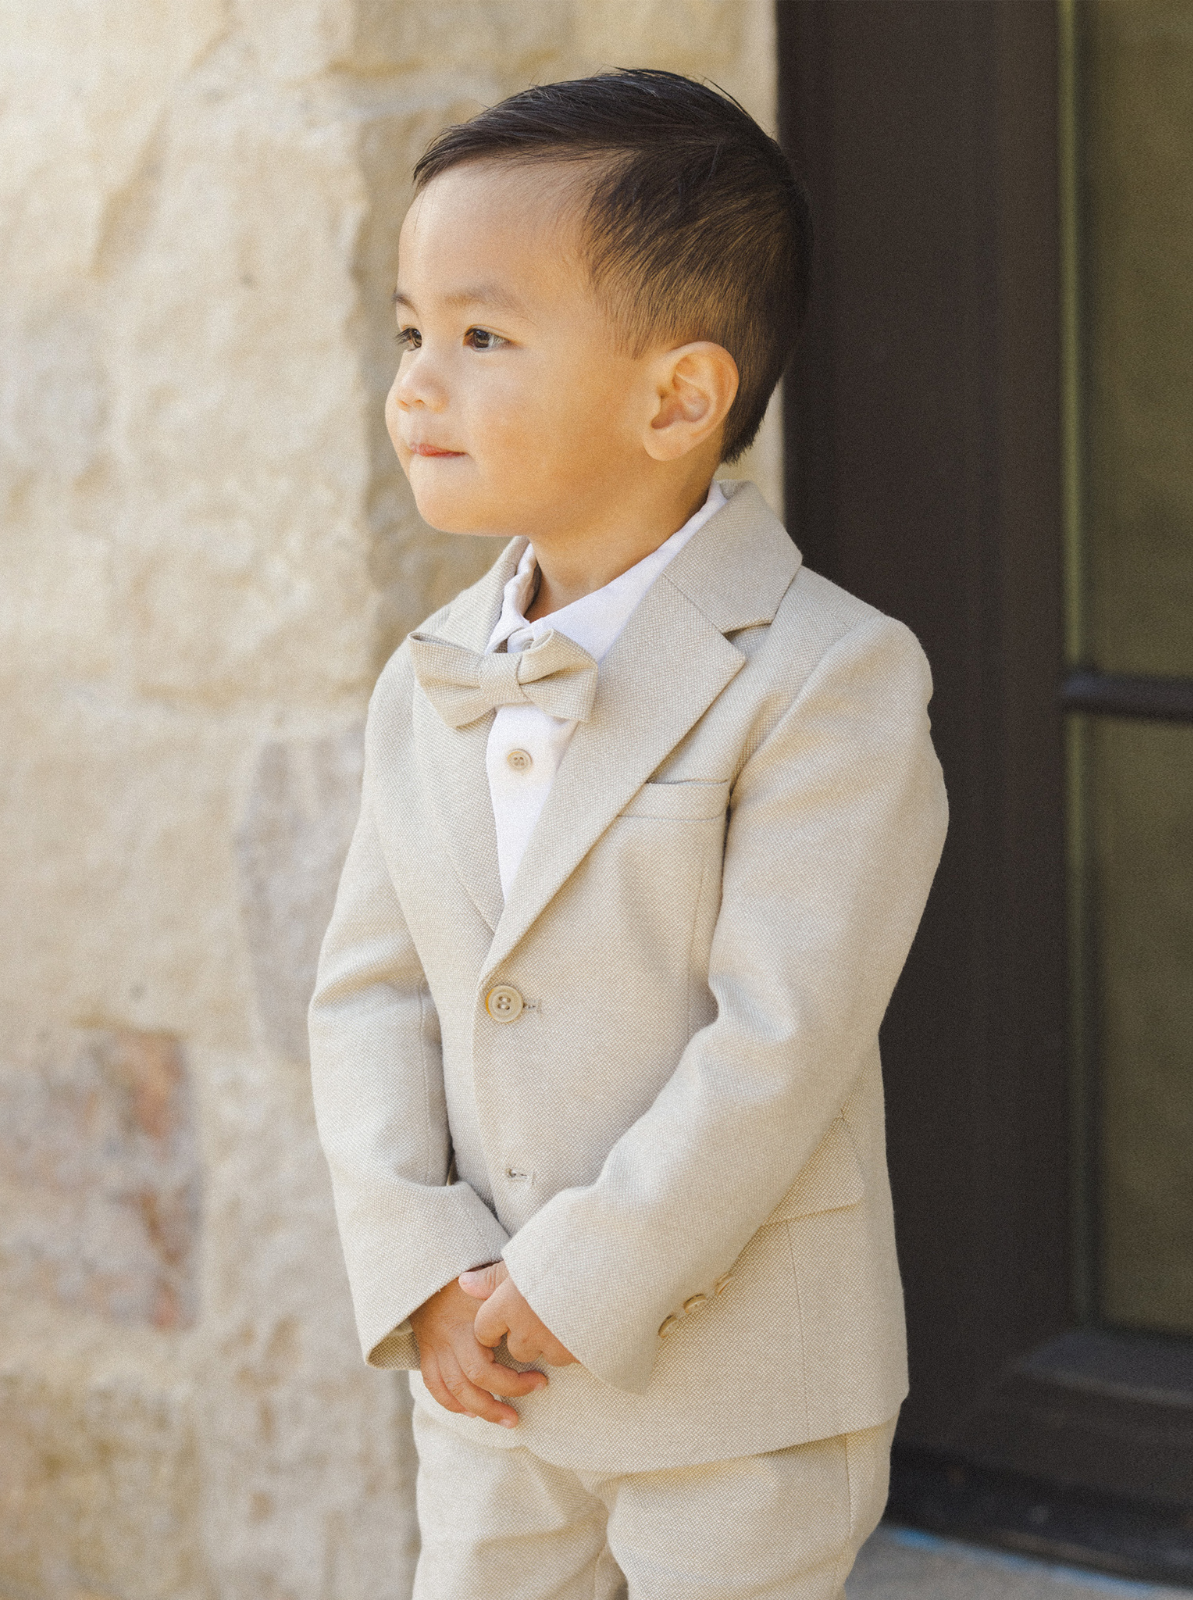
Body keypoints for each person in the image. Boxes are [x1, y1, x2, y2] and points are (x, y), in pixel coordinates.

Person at [309, 68, 948, 1600]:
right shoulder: (429, 677)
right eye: (410, 332)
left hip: (736, 1387)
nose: (415, 382)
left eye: (481, 337)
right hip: (486, 1383)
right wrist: (424, 1270)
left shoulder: (831, 677)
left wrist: (575, 1278)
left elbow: (777, 1041)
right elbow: (371, 997)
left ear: (678, 396)